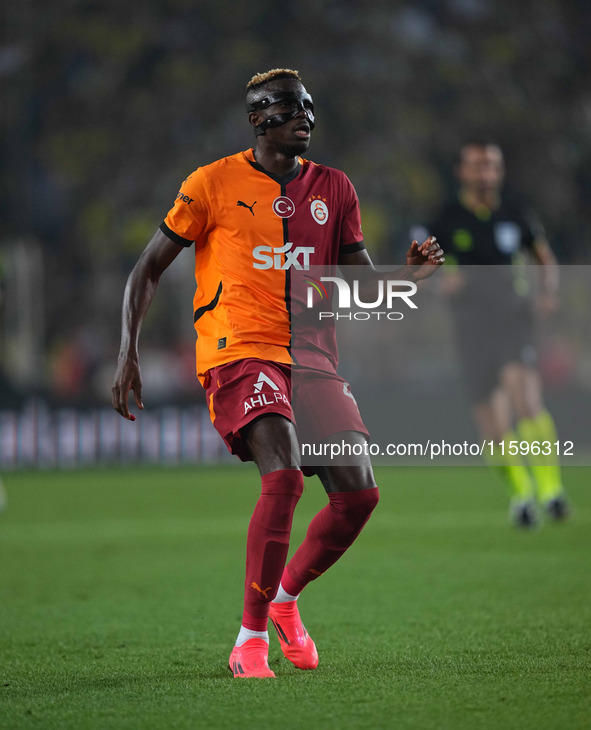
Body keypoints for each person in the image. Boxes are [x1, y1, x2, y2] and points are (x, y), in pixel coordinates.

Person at [112, 68, 444, 678]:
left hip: (313, 358)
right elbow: (147, 268)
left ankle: (286, 601)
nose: (307, 118)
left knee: (359, 496)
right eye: (292, 108)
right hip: (239, 349)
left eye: (311, 108)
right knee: (284, 477)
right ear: (259, 117)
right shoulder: (211, 183)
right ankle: (249, 639)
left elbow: (358, 287)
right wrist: (127, 350)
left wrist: (408, 278)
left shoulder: (336, 189)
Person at [429, 140, 569, 528]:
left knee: (525, 400)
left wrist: (548, 293)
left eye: (492, 165)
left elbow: (543, 257)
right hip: (471, 328)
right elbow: (423, 268)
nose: (485, 172)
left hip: (513, 319)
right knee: (491, 423)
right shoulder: (446, 217)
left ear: (500, 170)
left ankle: (552, 491)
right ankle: (522, 496)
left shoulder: (515, 212)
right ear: (462, 171)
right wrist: (442, 284)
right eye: (477, 165)